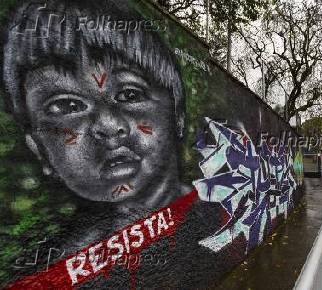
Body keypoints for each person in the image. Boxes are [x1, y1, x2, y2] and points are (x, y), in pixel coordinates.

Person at [1, 0, 185, 211]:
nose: (108, 124)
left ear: (176, 113)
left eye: (129, 94)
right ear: (39, 149)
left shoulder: (225, 219)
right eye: (67, 106)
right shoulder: (67, 245)